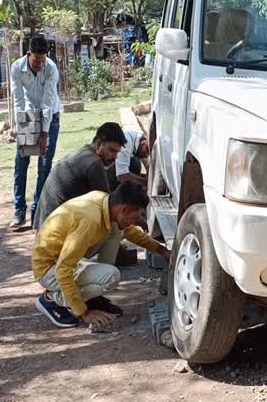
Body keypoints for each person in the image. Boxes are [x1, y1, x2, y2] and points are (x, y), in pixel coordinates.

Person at [32, 183, 171, 328]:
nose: (135, 222)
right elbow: (63, 270)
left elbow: (130, 232)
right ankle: (51, 299)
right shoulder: (89, 221)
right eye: (134, 218)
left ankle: (93, 298)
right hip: (49, 269)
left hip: (65, 258)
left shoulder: (106, 203)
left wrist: (162, 251)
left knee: (117, 230)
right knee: (111, 276)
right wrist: (84, 313)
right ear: (124, 209)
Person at [32, 122, 128, 231]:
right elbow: (109, 207)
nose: (114, 157)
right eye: (112, 151)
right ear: (98, 144)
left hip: (44, 220)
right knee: (114, 226)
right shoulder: (93, 163)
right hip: (54, 227)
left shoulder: (84, 152)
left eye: (117, 152)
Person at [10, 35, 62, 230]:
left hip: (51, 116)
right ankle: (19, 210)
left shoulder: (51, 68)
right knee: (21, 161)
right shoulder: (16, 67)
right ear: (28, 54)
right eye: (36, 60)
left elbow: (48, 103)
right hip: (29, 114)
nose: (40, 64)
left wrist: (44, 133)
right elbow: (18, 101)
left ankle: (38, 211)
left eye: (43, 60)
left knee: (45, 164)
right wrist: (21, 129)